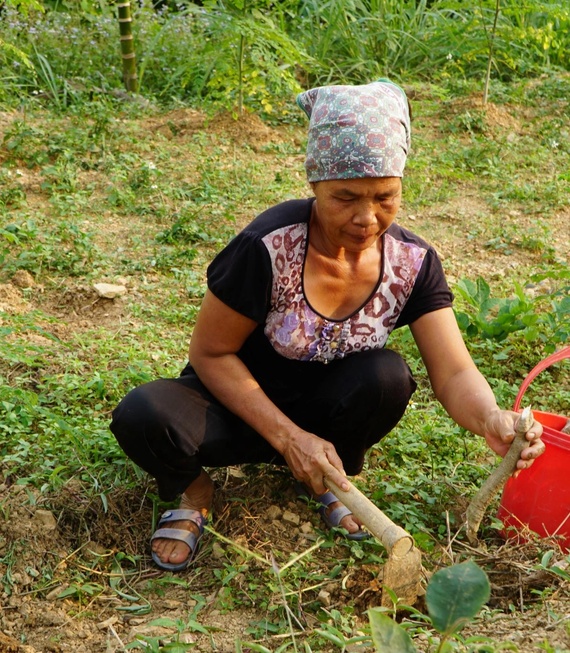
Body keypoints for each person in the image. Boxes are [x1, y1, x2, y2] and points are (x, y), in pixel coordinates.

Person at [111, 80, 545, 571]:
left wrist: (490, 417)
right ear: (315, 185)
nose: (366, 217)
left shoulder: (412, 262)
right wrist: (287, 438)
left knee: (387, 375)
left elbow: (454, 372)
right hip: (237, 409)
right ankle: (194, 491)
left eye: (385, 196)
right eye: (345, 197)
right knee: (144, 413)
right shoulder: (267, 247)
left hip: (326, 416)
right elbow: (211, 354)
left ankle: (326, 476)